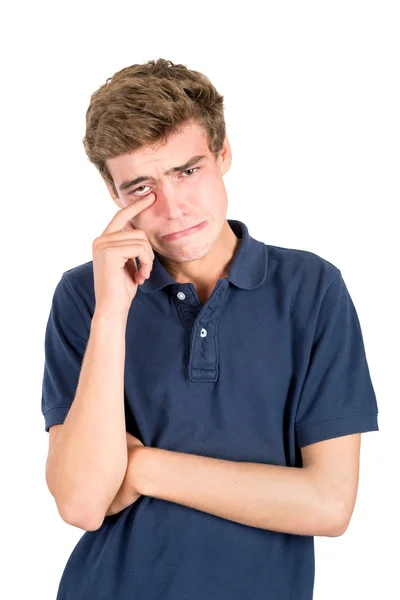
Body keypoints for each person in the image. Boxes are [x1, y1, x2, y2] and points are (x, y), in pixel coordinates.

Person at [41, 58, 379, 600]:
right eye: (141, 188)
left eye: (187, 170)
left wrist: (142, 467)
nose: (172, 208)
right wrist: (111, 312)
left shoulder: (310, 289)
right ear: (114, 194)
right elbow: (81, 503)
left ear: (223, 154)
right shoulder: (86, 296)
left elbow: (329, 505)